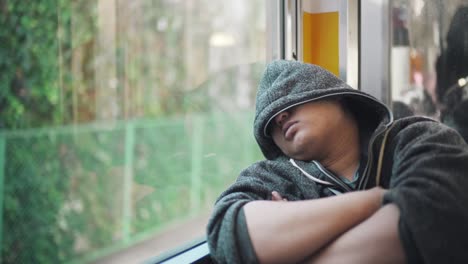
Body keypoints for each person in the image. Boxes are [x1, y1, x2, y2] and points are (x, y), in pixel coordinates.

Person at [206, 60, 468, 264]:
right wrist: (379, 199)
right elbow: (228, 233)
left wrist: (294, 242)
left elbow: (435, 215)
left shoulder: (416, 138)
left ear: (335, 94)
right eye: (271, 121)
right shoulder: (272, 177)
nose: (281, 117)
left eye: (291, 101)